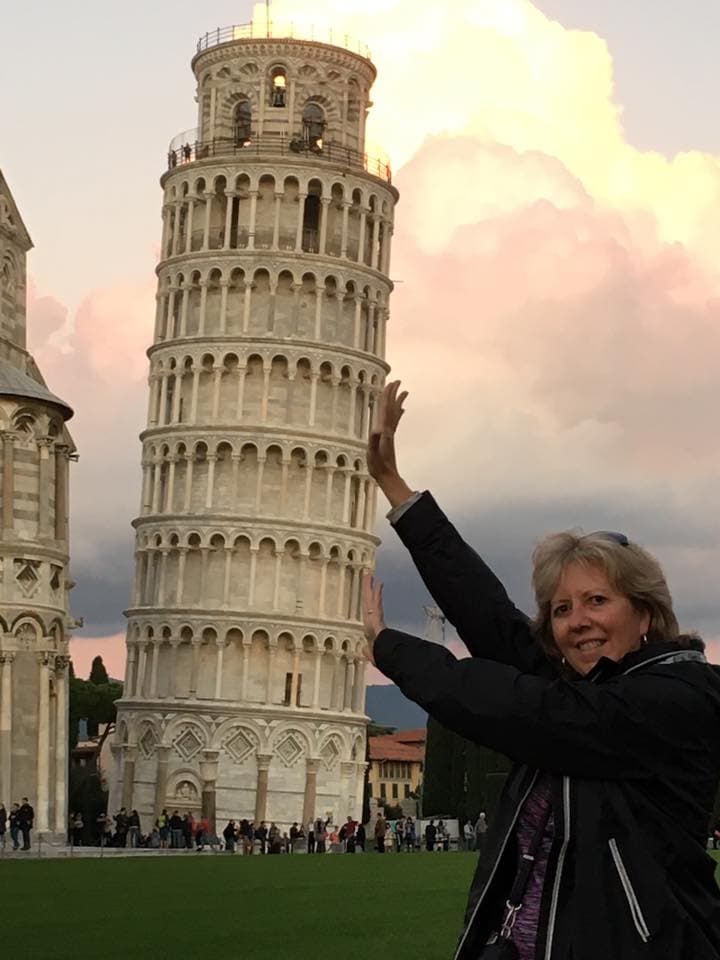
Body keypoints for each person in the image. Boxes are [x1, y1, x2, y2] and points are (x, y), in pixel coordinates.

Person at [362, 380, 720, 959]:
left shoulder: (675, 698)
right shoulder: (587, 690)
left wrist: (392, 650)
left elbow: (526, 708)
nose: (578, 622)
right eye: (560, 609)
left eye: (597, 601)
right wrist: (397, 491)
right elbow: (494, 622)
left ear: (645, 613)